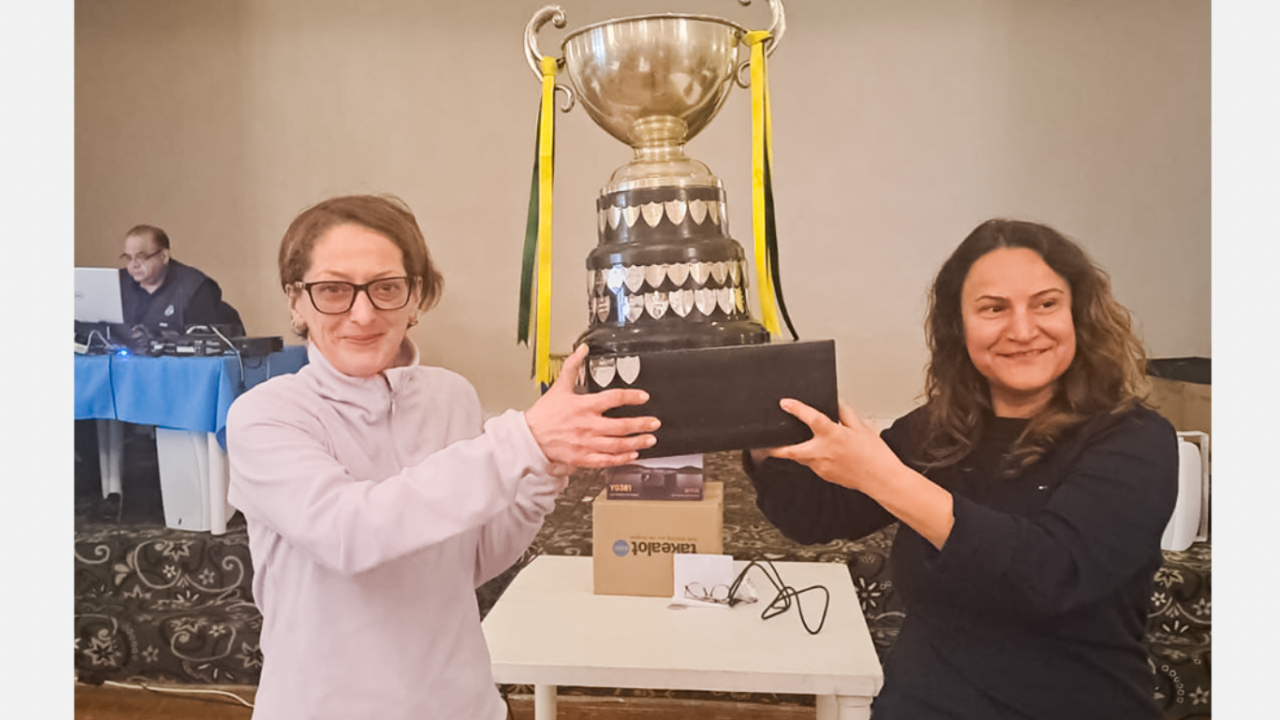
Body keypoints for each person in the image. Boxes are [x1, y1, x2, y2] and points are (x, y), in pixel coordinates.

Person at [225, 194, 660, 719]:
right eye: (333, 290)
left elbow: (470, 561)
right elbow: (349, 534)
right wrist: (524, 440)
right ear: (296, 301)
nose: (362, 313)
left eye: (386, 287)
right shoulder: (265, 415)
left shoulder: (451, 395)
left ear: (416, 297)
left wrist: (548, 467)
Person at [746, 219, 1178, 719]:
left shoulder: (1136, 440)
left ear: (1078, 314)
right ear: (959, 325)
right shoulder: (937, 430)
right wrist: (762, 434)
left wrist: (883, 477)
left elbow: (1052, 575)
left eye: (1046, 304)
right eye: (994, 309)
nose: (1023, 330)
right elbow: (818, 515)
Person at [118, 223, 244, 338]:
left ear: (163, 256)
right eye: (128, 258)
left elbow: (203, 341)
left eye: (141, 257)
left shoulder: (195, 288)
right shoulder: (119, 284)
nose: (134, 265)